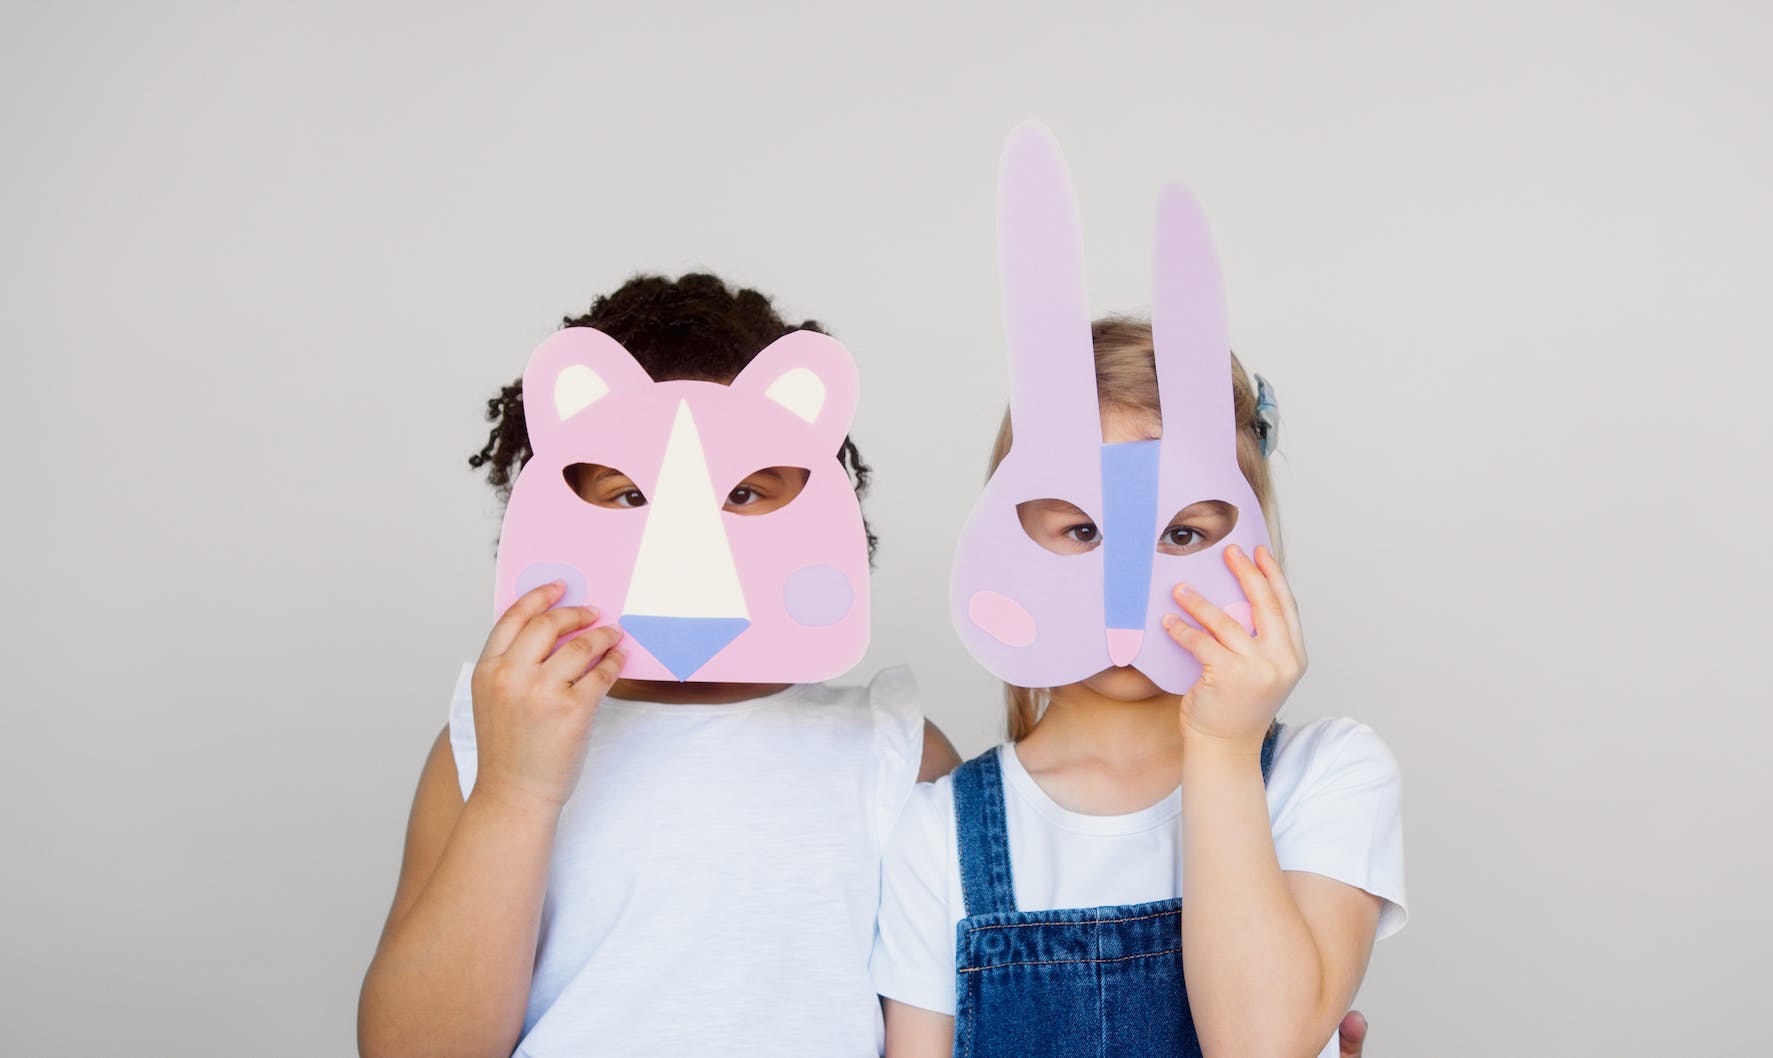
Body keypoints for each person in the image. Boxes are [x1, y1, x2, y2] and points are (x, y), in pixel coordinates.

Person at [358, 273, 961, 1058]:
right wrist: (517, 790)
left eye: (746, 492)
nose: (685, 546)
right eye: (624, 495)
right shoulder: (490, 742)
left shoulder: (892, 750)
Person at [873, 318, 1408, 1057]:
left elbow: (1261, 1048)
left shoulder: (1328, 775)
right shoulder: (933, 835)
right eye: (1082, 531)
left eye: (1182, 536)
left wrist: (1223, 744)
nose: (1128, 592)